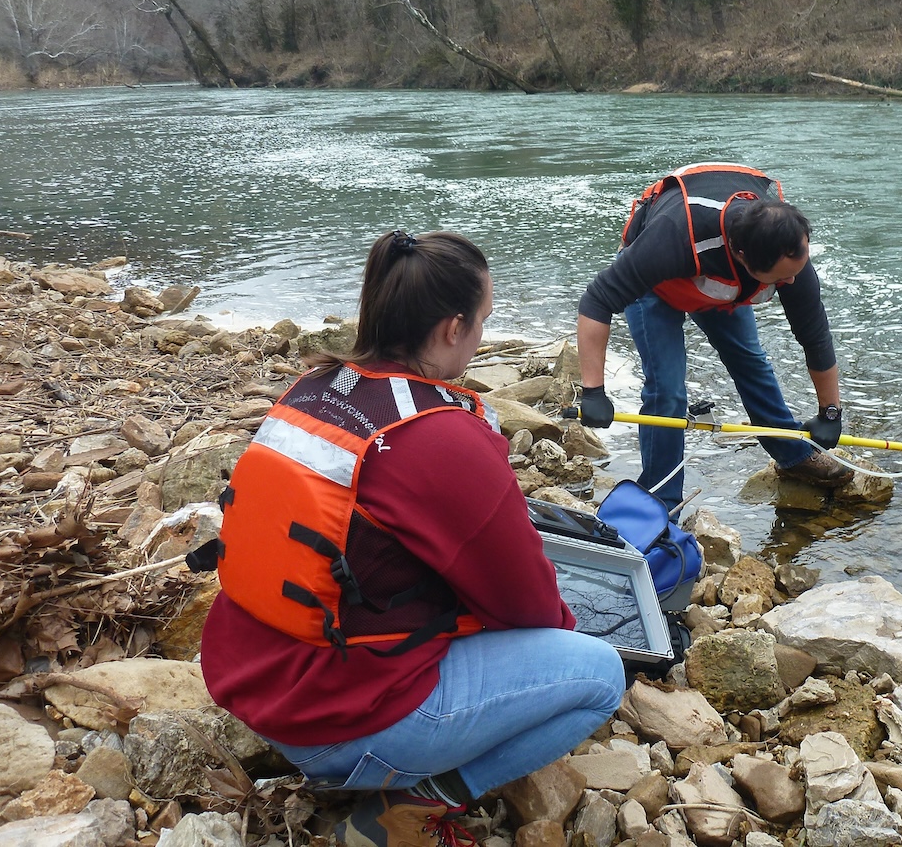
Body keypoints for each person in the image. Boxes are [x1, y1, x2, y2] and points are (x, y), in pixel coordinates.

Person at [199, 230, 626, 847]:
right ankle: (415, 805)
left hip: (253, 683)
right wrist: (554, 628)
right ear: (453, 329)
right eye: (482, 320)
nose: (481, 335)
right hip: (333, 725)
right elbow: (530, 607)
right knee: (599, 676)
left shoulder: (316, 388)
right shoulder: (440, 435)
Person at [576, 163, 852, 510]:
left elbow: (815, 336)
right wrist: (594, 391)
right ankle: (661, 500)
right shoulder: (670, 238)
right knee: (667, 391)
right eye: (780, 279)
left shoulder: (787, 255)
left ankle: (792, 455)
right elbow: (597, 301)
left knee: (751, 363)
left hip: (719, 288)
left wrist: (830, 412)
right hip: (657, 286)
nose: (792, 283)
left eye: (795, 272)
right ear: (742, 257)